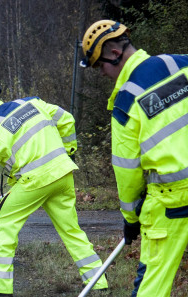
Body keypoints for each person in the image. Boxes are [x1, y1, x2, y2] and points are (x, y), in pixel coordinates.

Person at [0, 79, 108, 296]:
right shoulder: (31, 103)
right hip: (62, 175)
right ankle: (98, 281)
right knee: (71, 230)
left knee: (2, 224)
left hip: (36, 181)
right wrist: (68, 151)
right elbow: (67, 119)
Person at [80, 20, 188, 297]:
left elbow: (127, 170)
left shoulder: (126, 101)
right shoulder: (180, 63)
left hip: (170, 202)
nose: (101, 73)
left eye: (98, 65)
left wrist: (131, 218)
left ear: (114, 54)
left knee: (153, 283)